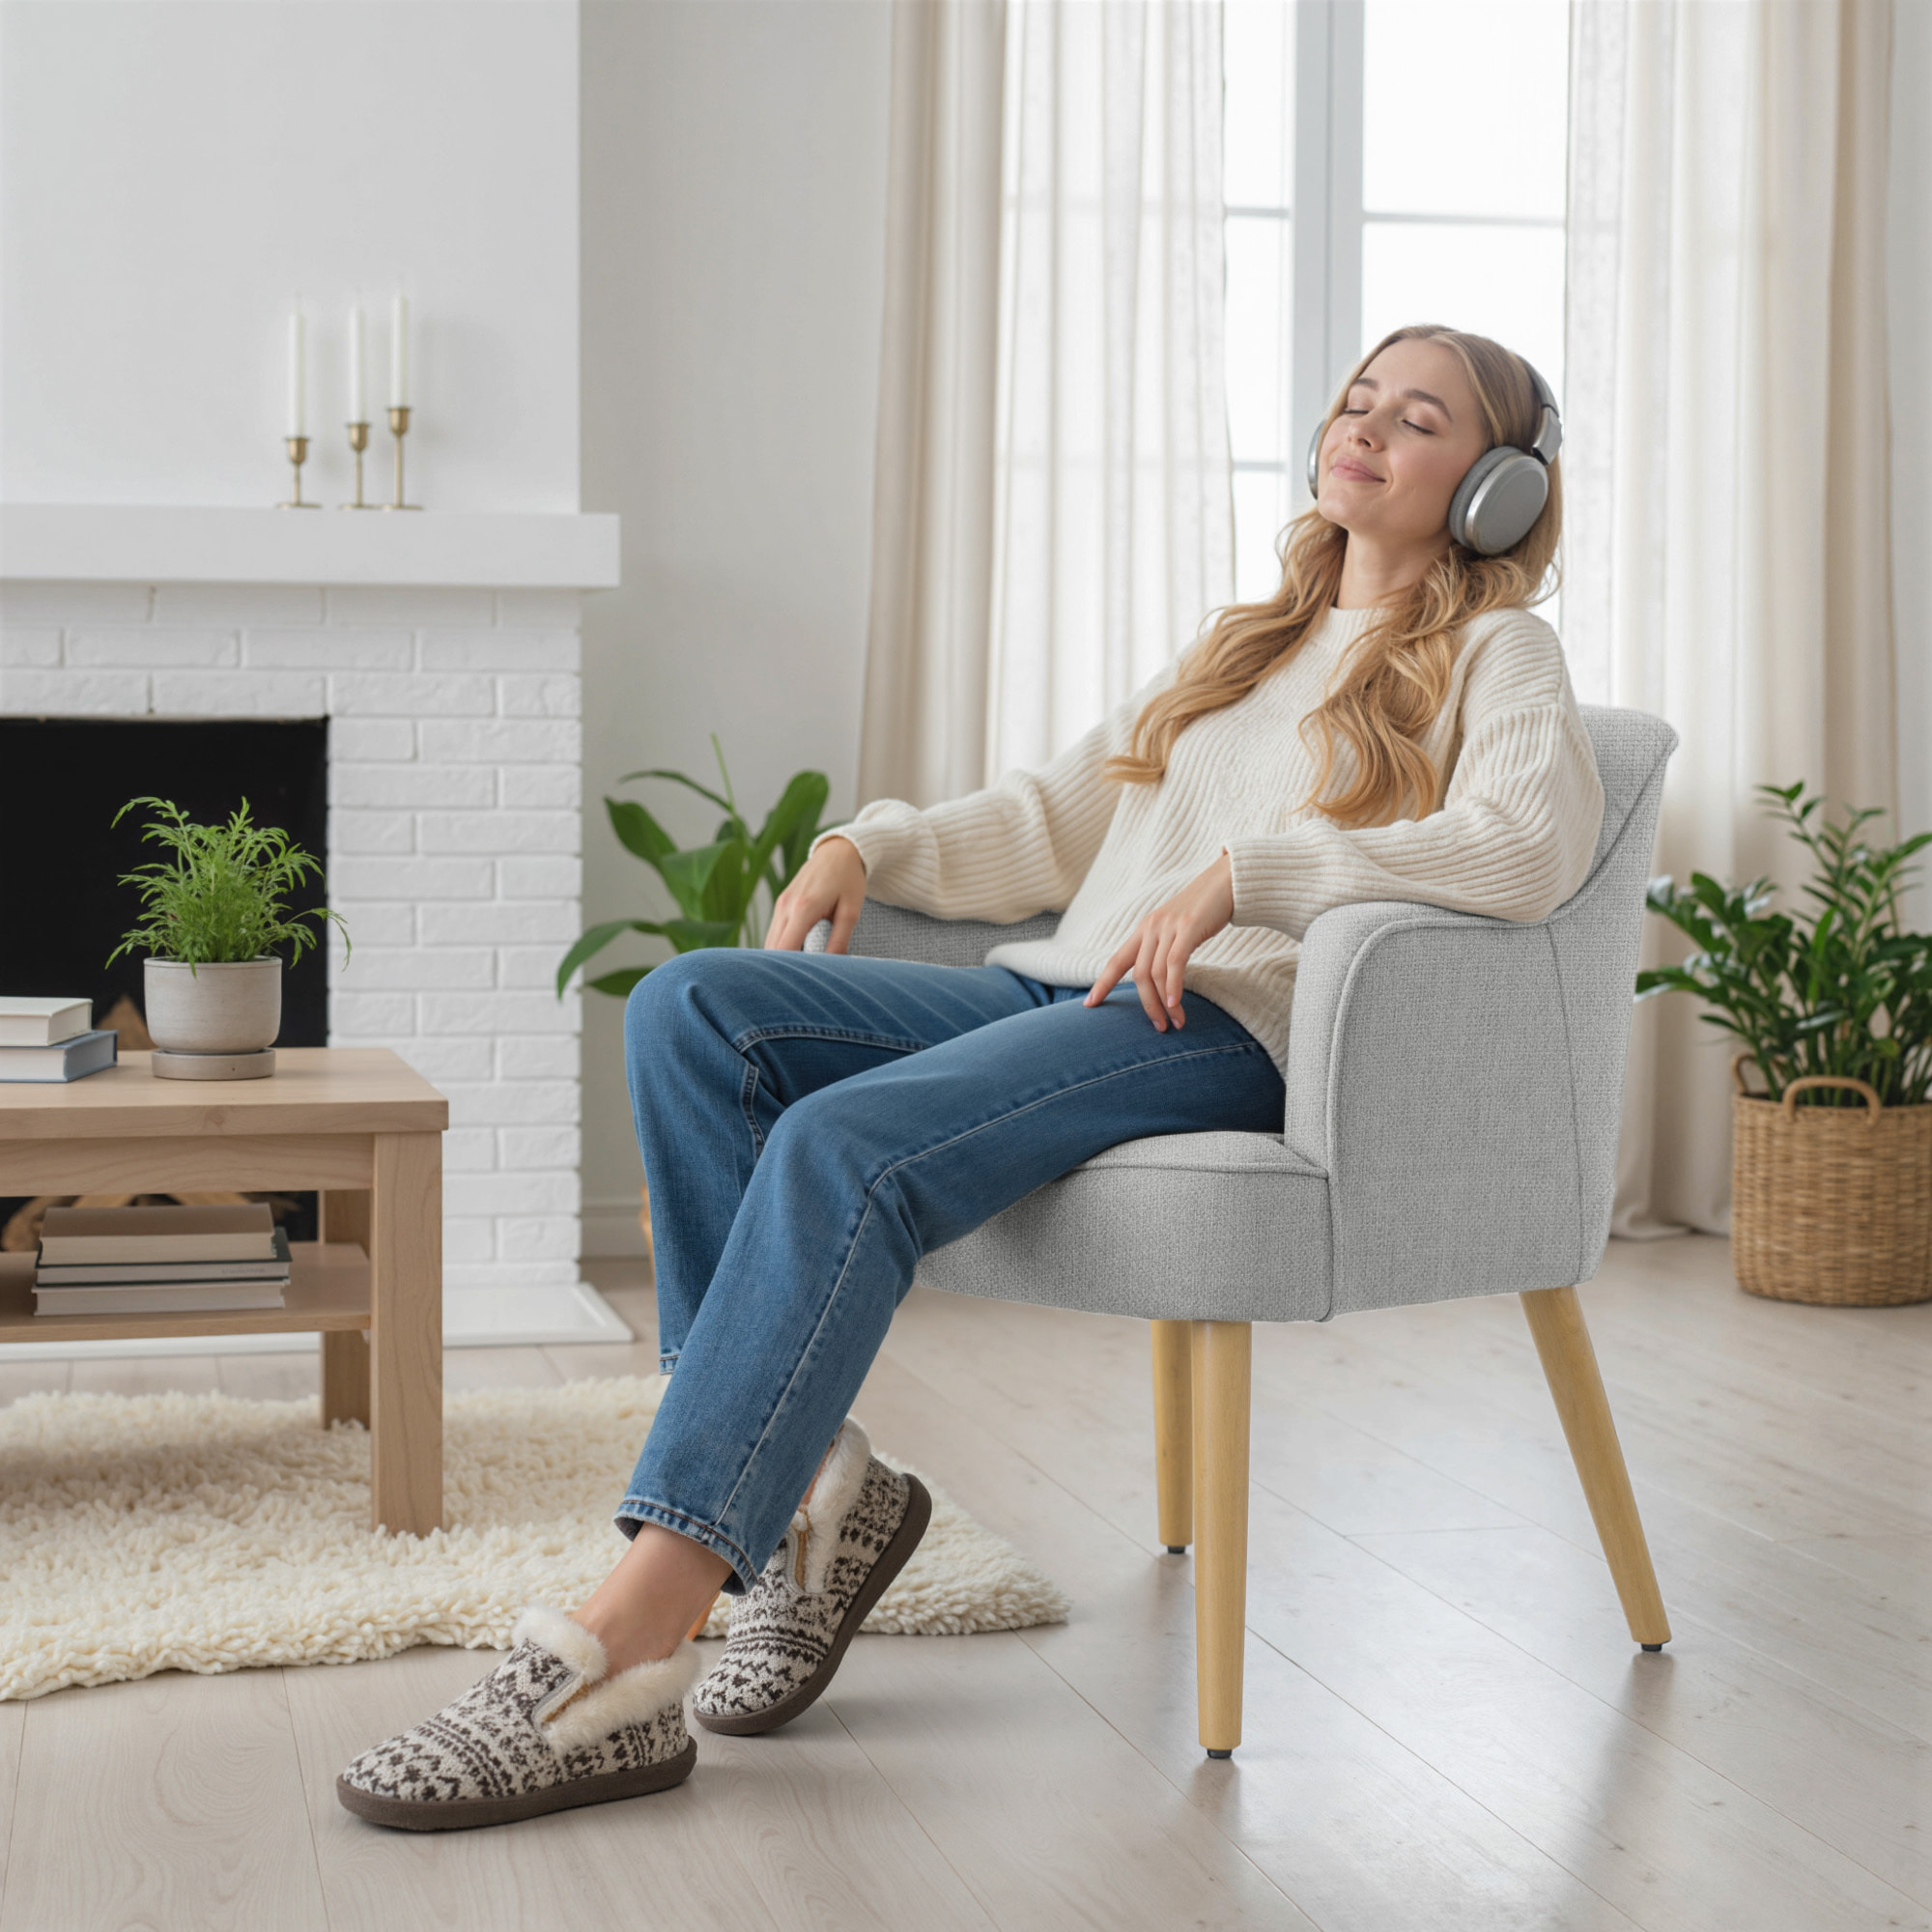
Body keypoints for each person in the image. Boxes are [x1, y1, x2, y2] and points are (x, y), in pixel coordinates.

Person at [335, 325, 1605, 1831]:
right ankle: (815, 1499)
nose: (1367, 430)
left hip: (1218, 1028)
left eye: (1421, 419)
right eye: (1356, 400)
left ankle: (632, 1636)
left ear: (1499, 490)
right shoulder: (1243, 645)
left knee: (840, 1142)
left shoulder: (1497, 654)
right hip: (1063, 992)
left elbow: (1530, 848)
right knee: (694, 1010)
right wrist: (866, 844)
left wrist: (1250, 875)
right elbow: (1054, 824)